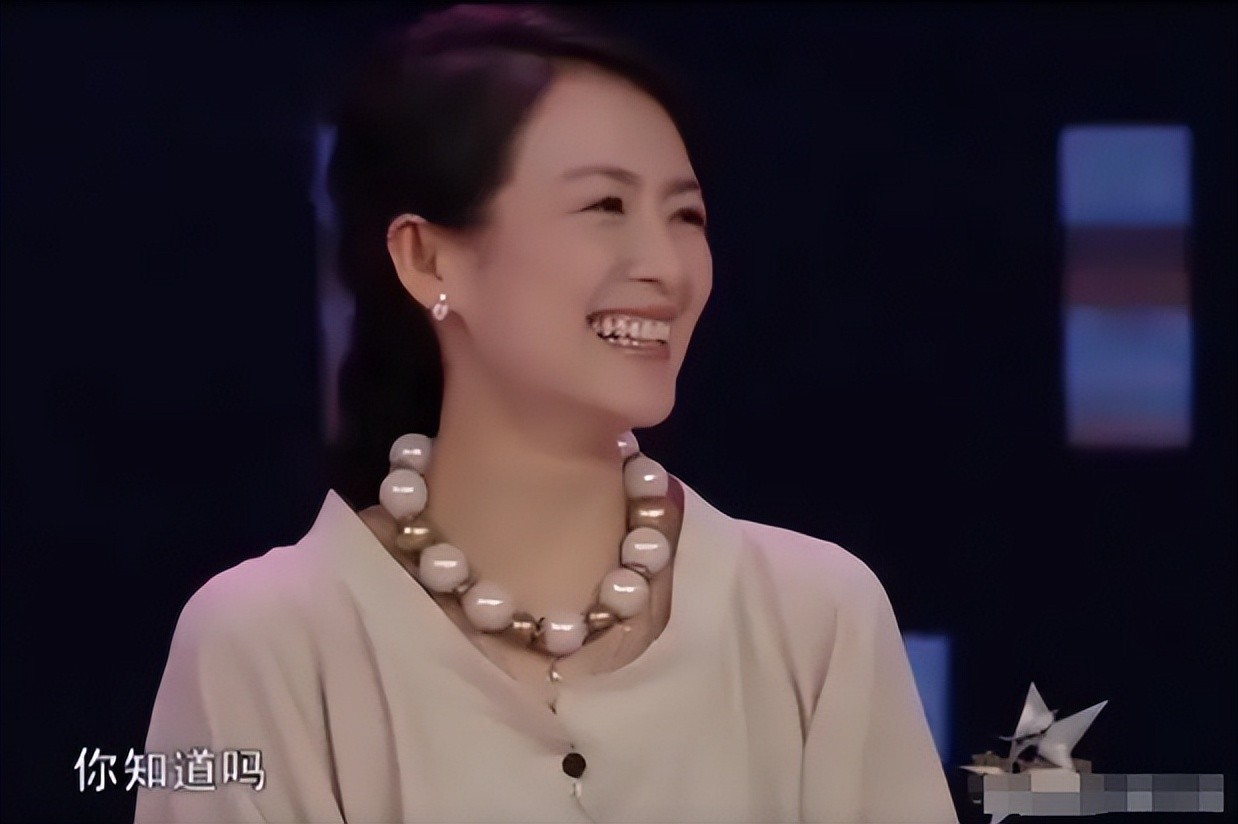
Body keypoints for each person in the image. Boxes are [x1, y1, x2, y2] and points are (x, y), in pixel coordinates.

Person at [135, 5, 958, 822]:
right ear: (428, 258)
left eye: (686, 216)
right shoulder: (261, 644)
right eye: (605, 206)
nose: (667, 267)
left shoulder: (818, 619)